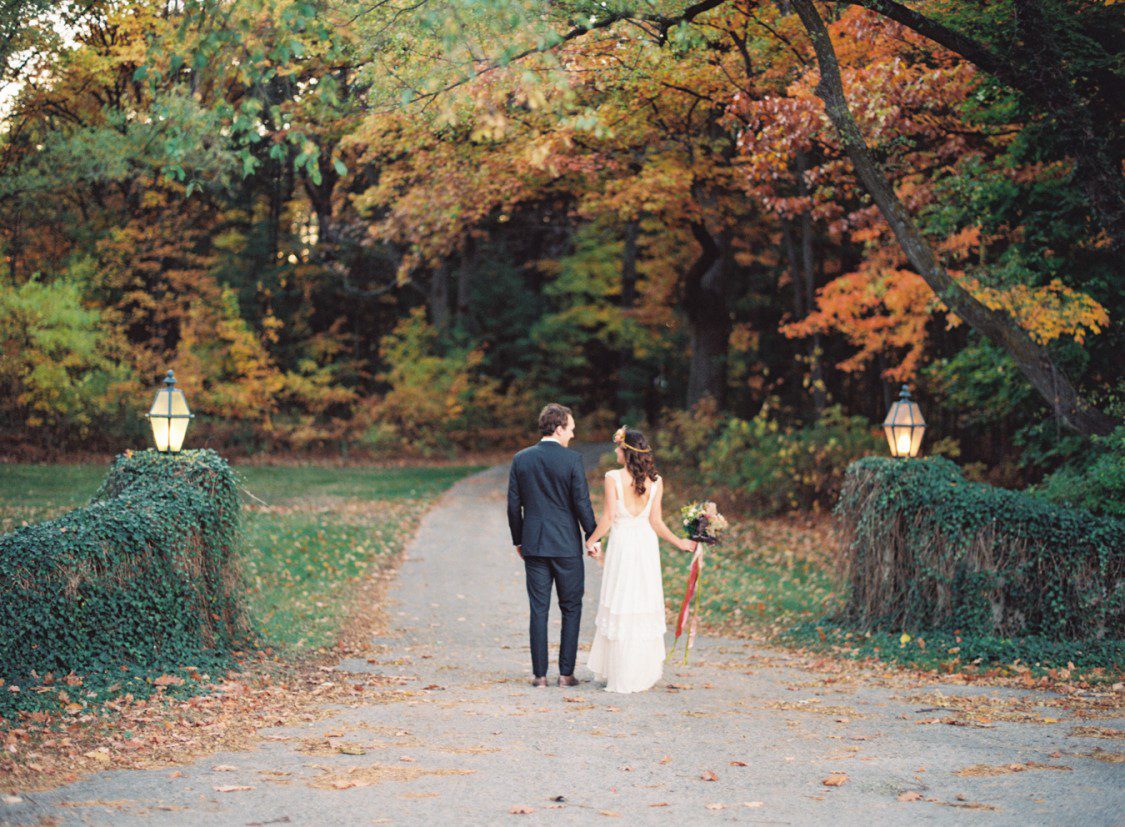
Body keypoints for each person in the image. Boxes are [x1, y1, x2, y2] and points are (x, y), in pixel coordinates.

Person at [584, 427, 700, 693]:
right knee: (641, 601)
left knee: (622, 599)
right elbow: (656, 522)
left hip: (624, 546)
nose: (615, 451)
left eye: (618, 447)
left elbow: (609, 517)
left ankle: (620, 671)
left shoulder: (612, 477)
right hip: (645, 546)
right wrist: (680, 542)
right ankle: (639, 672)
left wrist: (591, 540)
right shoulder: (656, 481)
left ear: (627, 451)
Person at [507, 403, 599, 687]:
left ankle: (539, 676)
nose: (572, 434)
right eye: (570, 428)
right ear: (558, 428)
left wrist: (519, 540)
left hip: (534, 544)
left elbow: (513, 506)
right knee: (571, 607)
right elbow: (581, 503)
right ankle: (565, 674)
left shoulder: (521, 459)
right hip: (566, 546)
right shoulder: (571, 461)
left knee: (539, 608)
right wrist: (592, 537)